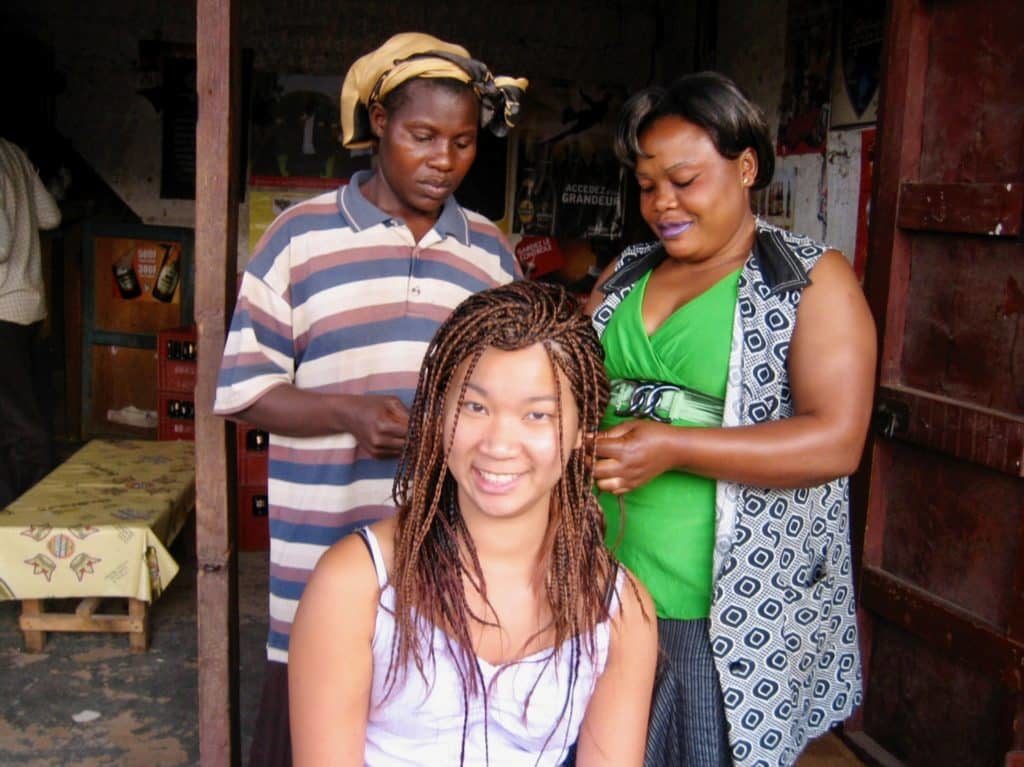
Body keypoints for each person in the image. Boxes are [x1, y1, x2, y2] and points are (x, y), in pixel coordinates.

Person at [214, 33, 527, 766]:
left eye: (462, 141)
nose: (443, 159)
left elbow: (514, 391)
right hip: (316, 553)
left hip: (446, 560)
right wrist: (346, 413)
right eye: (422, 135)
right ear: (379, 121)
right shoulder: (297, 238)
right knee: (308, 735)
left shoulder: (490, 253)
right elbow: (244, 391)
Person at [583, 72, 876, 767]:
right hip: (591, 571)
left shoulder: (808, 280)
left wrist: (676, 447)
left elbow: (836, 440)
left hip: (713, 600)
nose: (662, 203)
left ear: (746, 166)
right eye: (648, 185)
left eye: (684, 180)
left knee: (696, 745)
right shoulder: (627, 271)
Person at [289, 281, 658, 766]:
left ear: (581, 429)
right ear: (440, 414)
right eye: (475, 406)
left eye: (537, 415)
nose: (499, 444)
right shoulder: (356, 585)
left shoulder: (619, 610)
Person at [0, 137, 61, 509]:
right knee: (17, 413)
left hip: (2, 309)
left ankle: (35, 513)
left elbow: (0, 245)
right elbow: (50, 216)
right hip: (27, 307)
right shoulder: (12, 151)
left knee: (20, 423)